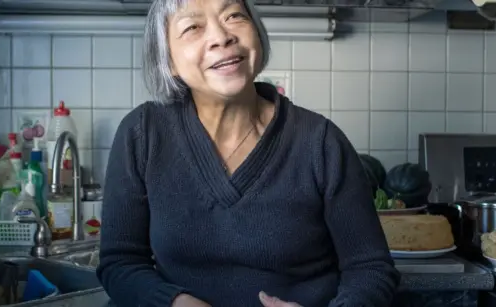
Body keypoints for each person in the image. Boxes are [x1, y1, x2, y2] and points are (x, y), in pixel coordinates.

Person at [96, 0, 401, 306]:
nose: (221, 36)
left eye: (233, 16)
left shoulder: (321, 142)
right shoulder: (143, 133)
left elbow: (370, 269)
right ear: (169, 60)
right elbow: (120, 263)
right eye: (193, 27)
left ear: (256, 32)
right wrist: (174, 302)